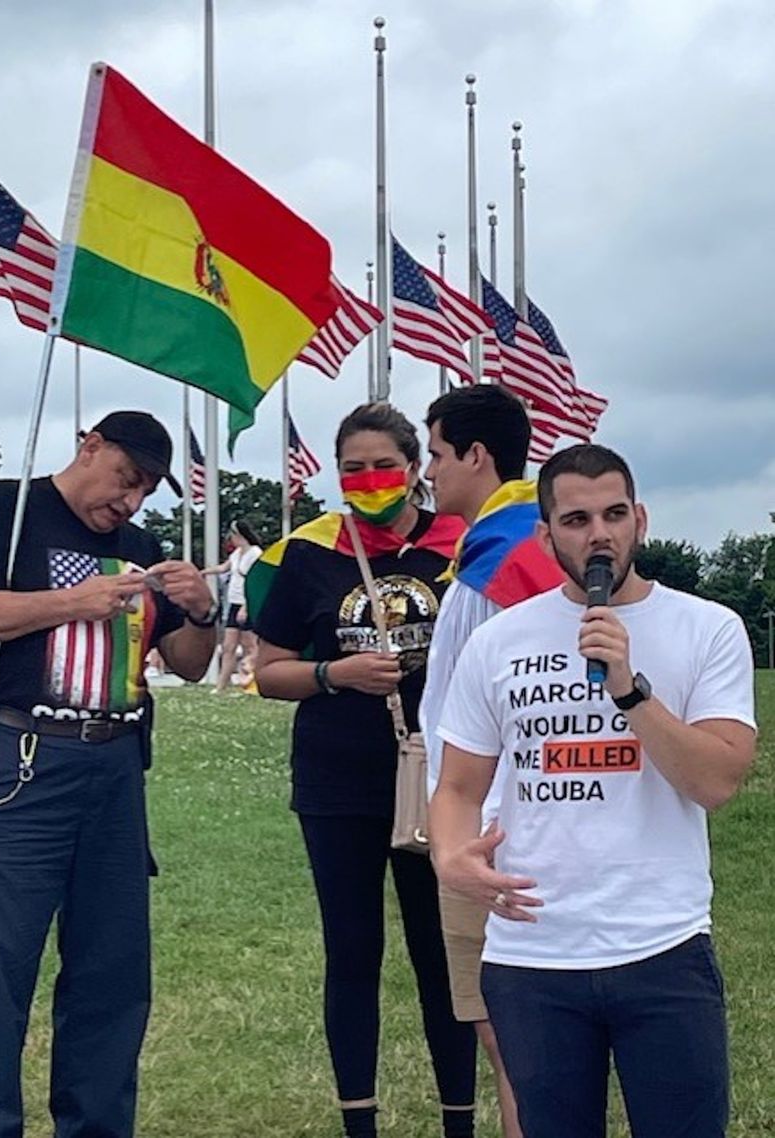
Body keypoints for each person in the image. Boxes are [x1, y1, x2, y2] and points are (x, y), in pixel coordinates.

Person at [430, 443, 757, 1138]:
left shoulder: (706, 628)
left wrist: (629, 689)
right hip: (534, 954)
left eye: (613, 514)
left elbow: (716, 780)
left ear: (640, 519)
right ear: (546, 535)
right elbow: (458, 786)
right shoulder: (499, 642)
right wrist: (451, 856)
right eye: (576, 520)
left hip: (662, 944)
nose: (598, 535)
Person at [0, 410, 218, 1138]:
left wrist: (201, 611)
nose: (130, 500)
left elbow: (188, 664)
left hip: (114, 764)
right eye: (125, 478)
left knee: (111, 972)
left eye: (146, 489)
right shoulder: (8, 508)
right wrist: (72, 602)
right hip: (17, 759)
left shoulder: (140, 548)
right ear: (90, 447)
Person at [253, 402, 476, 1138]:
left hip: (440, 782)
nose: (369, 480)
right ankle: (359, 1121)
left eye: (384, 466)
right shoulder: (309, 553)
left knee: (442, 956)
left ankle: (459, 1119)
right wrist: (333, 673)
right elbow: (268, 671)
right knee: (352, 953)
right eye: (353, 469)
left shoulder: (460, 546)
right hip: (337, 782)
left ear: (414, 469)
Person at [420, 385, 564, 1138]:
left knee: (512, 1039)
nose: (427, 474)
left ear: (476, 455)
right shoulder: (515, 545)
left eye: (436, 455)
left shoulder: (500, 557)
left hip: (493, 824)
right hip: (504, 816)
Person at [202, 518, 262, 692]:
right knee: (228, 647)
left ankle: (254, 682)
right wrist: (204, 572)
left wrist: (246, 606)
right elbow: (224, 568)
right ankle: (221, 686)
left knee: (250, 646)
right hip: (234, 602)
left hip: (247, 603)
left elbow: (255, 580)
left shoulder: (255, 553)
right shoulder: (236, 553)